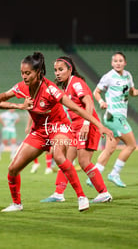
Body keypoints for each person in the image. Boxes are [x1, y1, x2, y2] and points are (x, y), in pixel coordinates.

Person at [0, 51, 113, 212]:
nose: (24, 76)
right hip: (39, 132)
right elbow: (3, 96)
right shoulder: (22, 87)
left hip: (59, 127)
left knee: (59, 155)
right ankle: (17, 204)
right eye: (22, 73)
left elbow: (74, 107)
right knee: (12, 169)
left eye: (27, 73)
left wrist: (97, 125)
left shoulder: (50, 89)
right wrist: (1, 100)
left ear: (38, 72)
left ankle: (81, 197)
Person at [41, 56, 112, 203]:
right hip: (75, 127)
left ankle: (104, 193)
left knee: (84, 161)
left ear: (70, 69)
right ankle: (58, 193)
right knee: (66, 160)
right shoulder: (65, 87)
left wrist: (86, 124)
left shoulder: (76, 83)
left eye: (61, 69)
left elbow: (89, 103)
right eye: (55, 70)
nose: (57, 73)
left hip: (87, 126)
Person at [90, 51, 138, 188]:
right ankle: (114, 174)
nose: (118, 63)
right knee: (132, 145)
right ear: (112, 63)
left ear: (125, 63)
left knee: (110, 148)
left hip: (120, 116)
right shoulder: (108, 77)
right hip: (113, 115)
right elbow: (96, 92)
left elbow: (132, 92)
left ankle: (94, 177)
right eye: (115, 61)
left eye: (120, 61)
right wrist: (101, 102)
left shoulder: (128, 75)